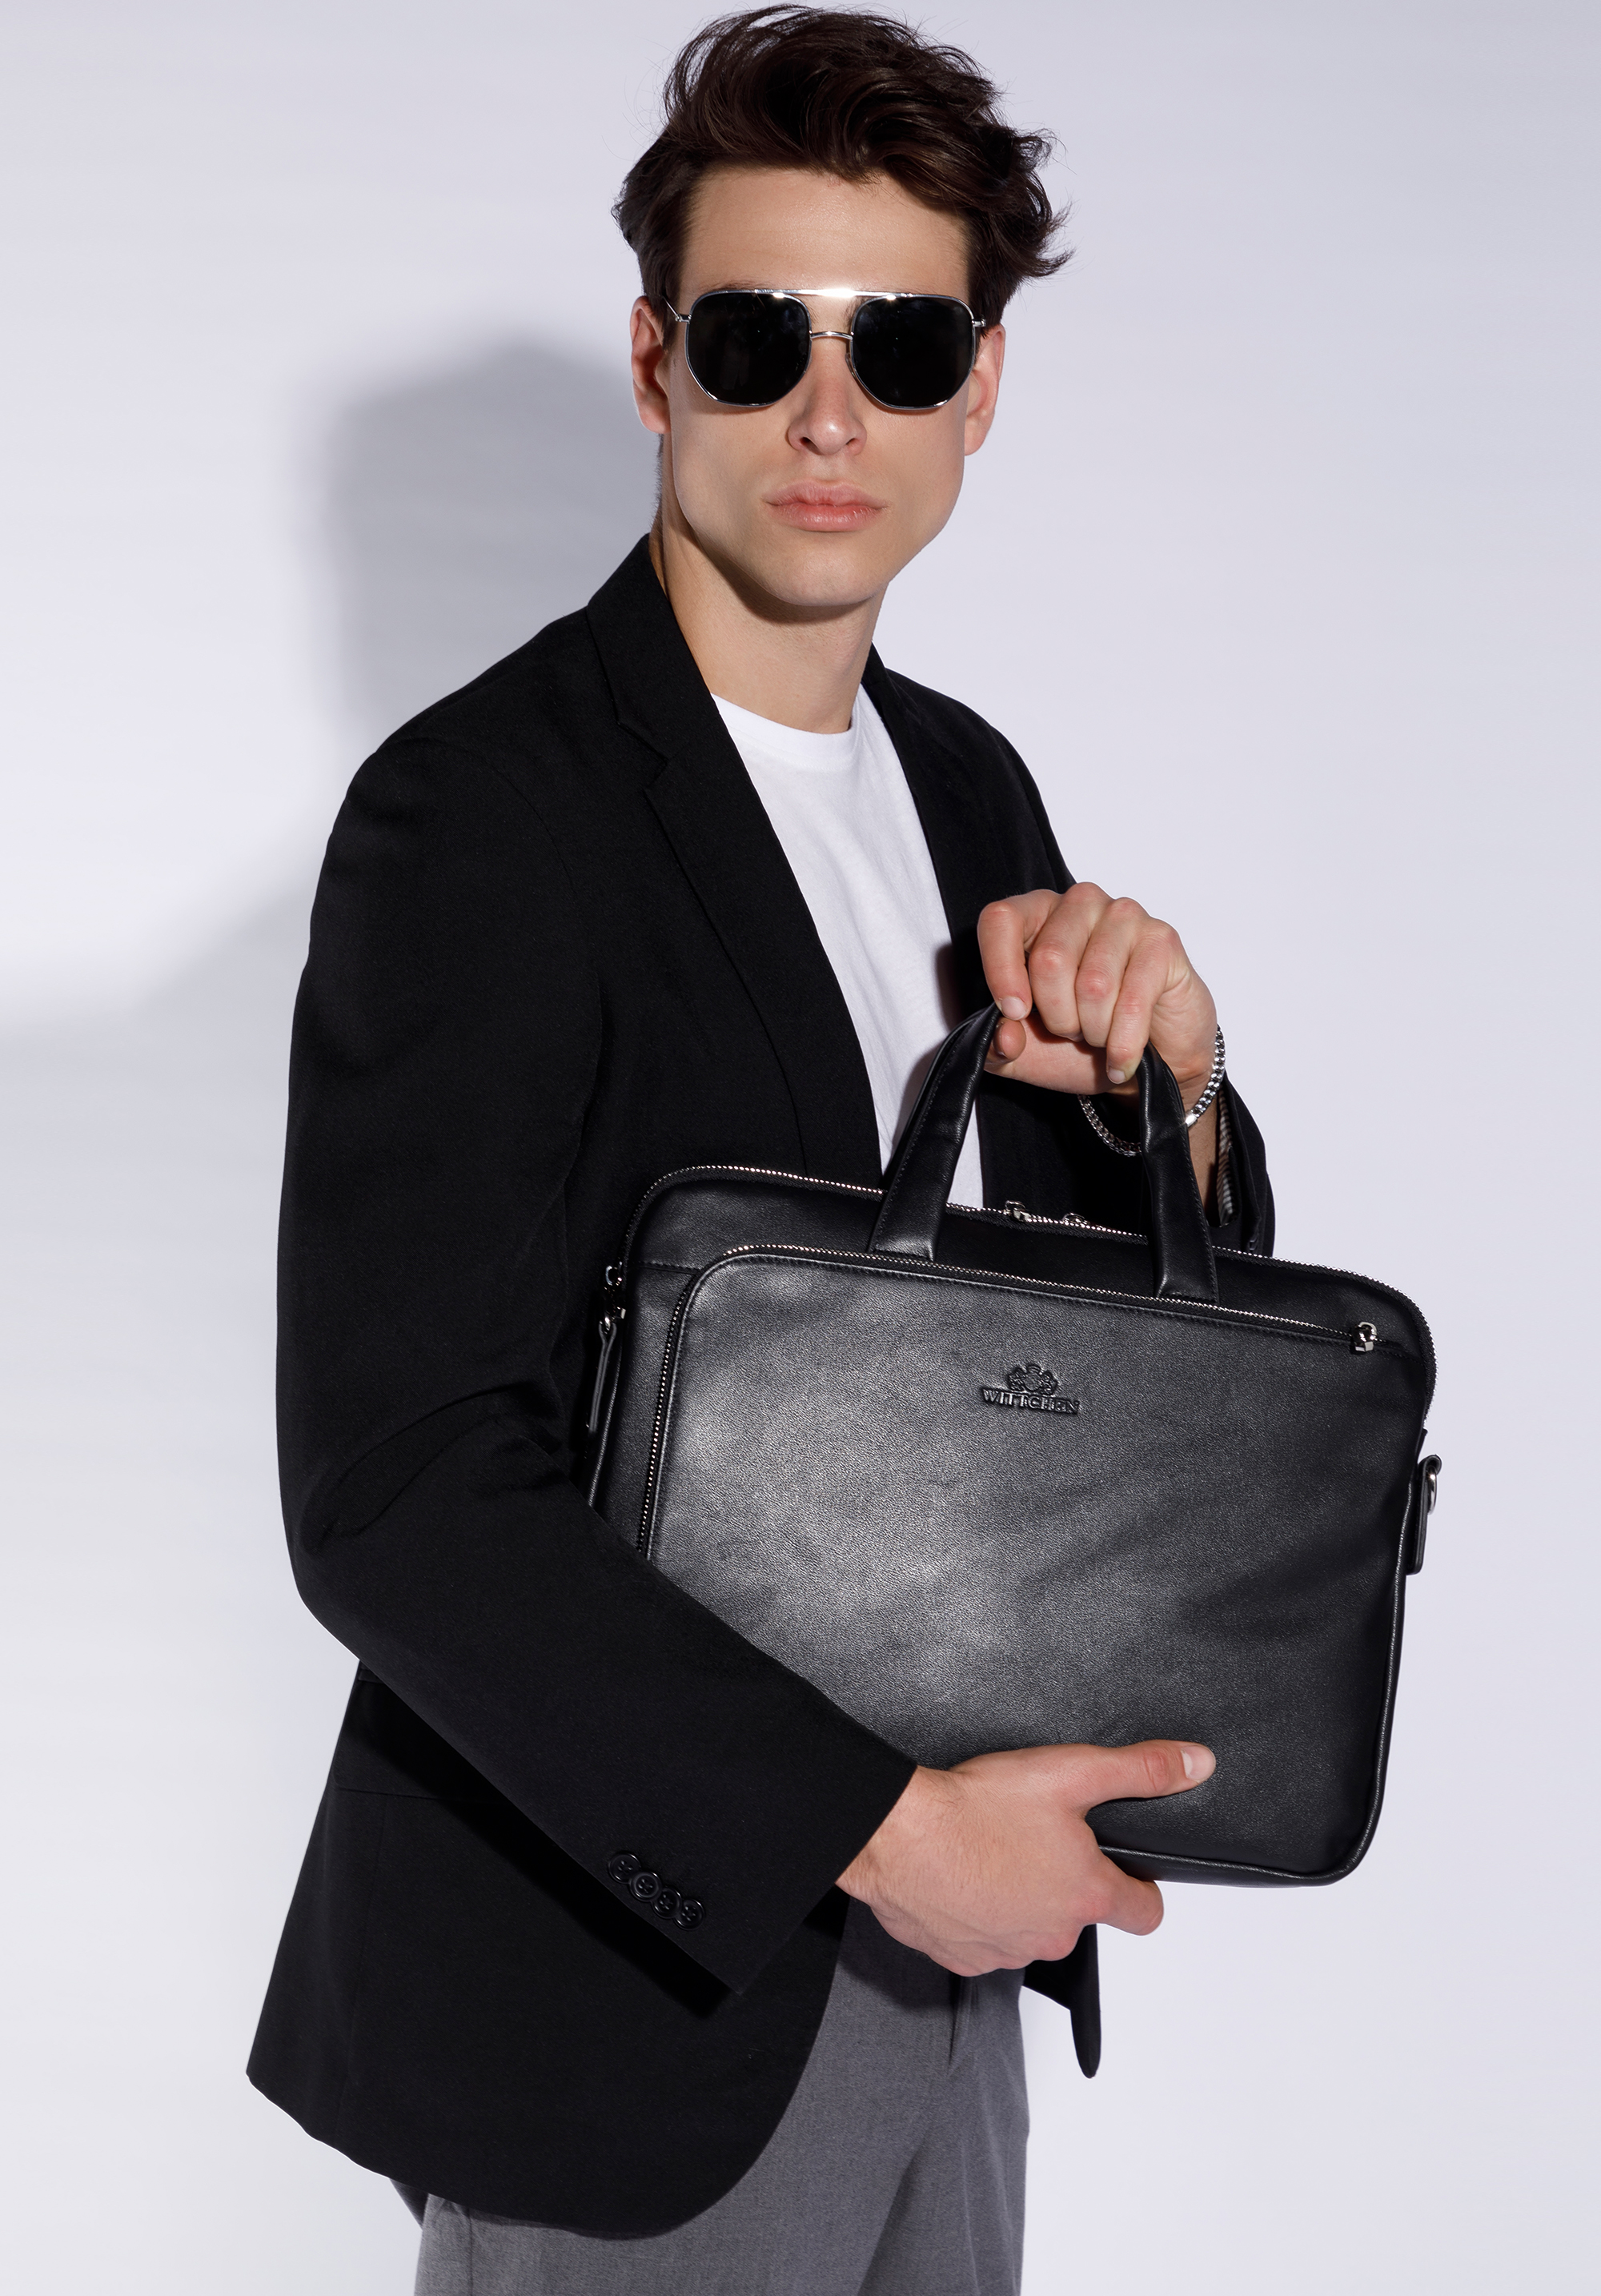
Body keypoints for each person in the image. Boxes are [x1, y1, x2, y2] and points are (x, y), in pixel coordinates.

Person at [249, 10, 1274, 2290]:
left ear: (976, 388)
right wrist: (878, 1831)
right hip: (630, 1995)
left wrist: (1179, 1101)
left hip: (960, 1975)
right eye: (755, 336)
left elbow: (1073, 1375)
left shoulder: (971, 789)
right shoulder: (481, 813)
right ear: (657, 362)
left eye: (898, 345)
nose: (830, 412)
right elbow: (401, 1481)